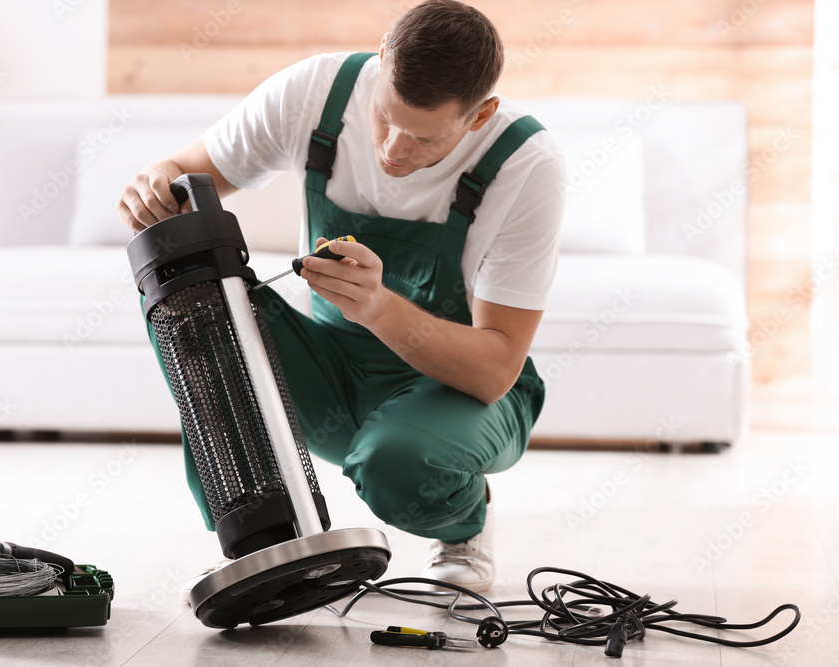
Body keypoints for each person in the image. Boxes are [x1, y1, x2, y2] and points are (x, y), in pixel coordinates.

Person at [117, 0, 565, 596]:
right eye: (385, 119)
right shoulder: (318, 92)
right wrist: (156, 188)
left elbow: (494, 371)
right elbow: (184, 173)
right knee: (187, 290)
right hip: (329, 373)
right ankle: (261, 538)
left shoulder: (526, 166)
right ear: (381, 61)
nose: (392, 152)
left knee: (396, 464)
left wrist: (379, 307)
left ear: (480, 115)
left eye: (424, 138)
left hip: (458, 402)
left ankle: (464, 517)